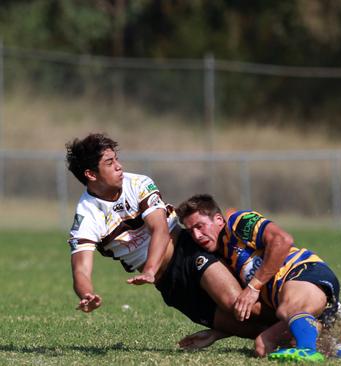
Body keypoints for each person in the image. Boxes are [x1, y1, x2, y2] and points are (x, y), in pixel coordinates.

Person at [65, 133, 272, 347]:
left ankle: (298, 317)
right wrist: (86, 294)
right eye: (110, 162)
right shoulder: (86, 215)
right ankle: (294, 332)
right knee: (255, 332)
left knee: (234, 303)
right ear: (90, 174)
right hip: (169, 284)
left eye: (116, 159)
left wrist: (150, 270)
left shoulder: (137, 183)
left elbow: (160, 230)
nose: (119, 166)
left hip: (187, 252)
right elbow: (80, 269)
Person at [175, 194, 341, 362]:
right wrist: (217, 334)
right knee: (263, 346)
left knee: (287, 309)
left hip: (304, 271)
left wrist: (253, 287)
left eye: (200, 226)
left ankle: (307, 349)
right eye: (191, 232)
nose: (197, 236)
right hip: (294, 302)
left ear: (218, 220)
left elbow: (282, 240)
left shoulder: (237, 222)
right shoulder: (222, 258)